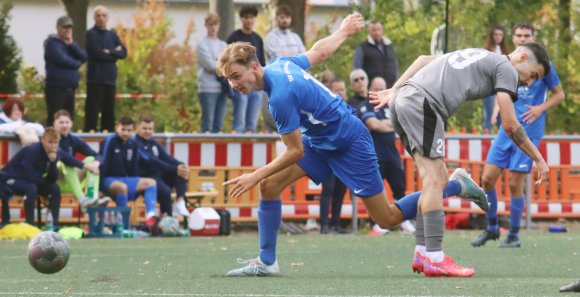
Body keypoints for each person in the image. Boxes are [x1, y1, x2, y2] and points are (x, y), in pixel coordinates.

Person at [217, 12, 488, 277]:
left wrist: (254, 174)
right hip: (322, 140)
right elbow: (319, 52)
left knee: (388, 218)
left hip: (349, 141)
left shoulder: (279, 98)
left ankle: (457, 184)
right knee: (270, 185)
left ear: (254, 67)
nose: (233, 84)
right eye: (229, 79)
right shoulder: (279, 65)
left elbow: (294, 151)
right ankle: (267, 262)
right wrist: (343, 32)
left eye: (236, 76)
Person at [370, 43, 552, 276]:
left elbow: (424, 58)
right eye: (532, 75)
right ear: (522, 57)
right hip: (423, 103)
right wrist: (539, 159)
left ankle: (423, 252)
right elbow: (509, 123)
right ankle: (435, 258)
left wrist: (394, 89)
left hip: (403, 100)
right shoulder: (506, 68)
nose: (529, 82)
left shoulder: (480, 55)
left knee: (436, 180)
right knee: (435, 181)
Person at [471, 23, 565, 248]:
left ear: (533, 38)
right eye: (519, 35)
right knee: (487, 178)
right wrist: (496, 110)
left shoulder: (543, 66)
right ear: (513, 39)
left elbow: (559, 95)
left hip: (529, 131)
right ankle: (492, 227)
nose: (522, 38)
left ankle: (513, 233)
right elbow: (499, 91)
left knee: (514, 184)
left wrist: (540, 108)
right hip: (506, 130)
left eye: (527, 35)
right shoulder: (506, 64)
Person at [358, 76, 415, 235]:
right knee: (376, 190)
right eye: (375, 89)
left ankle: (403, 221)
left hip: (392, 153)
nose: (378, 92)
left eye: (381, 89)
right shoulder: (365, 106)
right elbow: (373, 125)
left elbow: (403, 122)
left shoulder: (392, 105)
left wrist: (386, 124)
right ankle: (376, 224)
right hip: (374, 154)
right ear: (371, 89)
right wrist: (392, 125)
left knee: (399, 188)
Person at [98, 116, 158, 228]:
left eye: (129, 130)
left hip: (125, 180)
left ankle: (150, 217)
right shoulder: (110, 141)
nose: (126, 133)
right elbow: (103, 163)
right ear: (117, 128)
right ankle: (124, 223)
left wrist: (135, 188)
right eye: (123, 130)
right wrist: (100, 188)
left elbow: (134, 169)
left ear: (133, 130)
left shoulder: (133, 144)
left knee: (151, 182)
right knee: (122, 187)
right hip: (109, 180)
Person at [0, 128, 62, 230]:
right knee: (31, 188)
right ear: (43, 140)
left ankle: (53, 224)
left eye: (56, 142)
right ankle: (30, 224)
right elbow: (29, 175)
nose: (53, 146)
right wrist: (44, 181)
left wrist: (53, 163)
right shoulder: (32, 150)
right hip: (10, 179)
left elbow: (52, 179)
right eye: (50, 142)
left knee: (54, 188)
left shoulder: (55, 153)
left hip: (31, 181)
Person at [52, 110, 110, 213]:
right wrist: (84, 165)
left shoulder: (73, 139)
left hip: (73, 180)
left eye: (67, 122)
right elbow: (63, 156)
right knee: (66, 164)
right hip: (55, 180)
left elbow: (97, 155)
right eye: (61, 122)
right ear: (54, 124)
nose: (64, 125)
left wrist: (96, 163)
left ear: (71, 124)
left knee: (92, 160)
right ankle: (82, 200)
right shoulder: (51, 139)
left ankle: (92, 197)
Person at [133, 114, 190, 217]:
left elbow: (167, 158)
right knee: (165, 190)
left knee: (181, 172)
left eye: (150, 129)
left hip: (159, 176)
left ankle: (180, 202)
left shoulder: (153, 143)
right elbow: (152, 161)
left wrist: (182, 166)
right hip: (144, 178)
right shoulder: (134, 143)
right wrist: (175, 169)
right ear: (137, 128)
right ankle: (167, 217)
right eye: (144, 128)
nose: (147, 131)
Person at [85, 5, 127, 132]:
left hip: (110, 79)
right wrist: (114, 52)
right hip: (95, 80)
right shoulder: (90, 35)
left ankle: (108, 136)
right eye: (98, 16)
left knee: (109, 112)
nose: (101, 18)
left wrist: (109, 52)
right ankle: (90, 134)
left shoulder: (112, 35)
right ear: (94, 18)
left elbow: (123, 53)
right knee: (93, 111)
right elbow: (97, 54)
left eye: (104, 15)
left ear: (108, 18)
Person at [226, 5, 265, 133]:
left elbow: (261, 62)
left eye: (251, 17)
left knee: (252, 122)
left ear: (254, 19)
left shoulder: (258, 38)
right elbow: (227, 61)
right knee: (239, 120)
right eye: (246, 17)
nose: (249, 20)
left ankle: (250, 139)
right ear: (242, 19)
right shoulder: (233, 37)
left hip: (256, 84)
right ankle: (237, 139)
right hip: (240, 82)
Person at [44, 16, 87, 126]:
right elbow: (62, 59)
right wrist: (77, 64)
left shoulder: (70, 44)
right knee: (55, 118)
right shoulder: (51, 43)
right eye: (64, 27)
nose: (67, 30)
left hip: (70, 89)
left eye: (69, 27)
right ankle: (51, 140)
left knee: (67, 120)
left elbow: (84, 57)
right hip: (56, 88)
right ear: (58, 28)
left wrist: (72, 45)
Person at [319, 78, 348, 235]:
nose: (340, 92)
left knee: (340, 191)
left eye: (342, 89)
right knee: (327, 190)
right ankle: (324, 225)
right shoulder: (325, 108)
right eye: (337, 89)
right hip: (329, 156)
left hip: (343, 157)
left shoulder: (348, 108)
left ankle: (336, 224)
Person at [197, 13, 228, 133]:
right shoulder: (202, 45)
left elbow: (228, 63)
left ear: (219, 25)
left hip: (223, 87)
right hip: (207, 88)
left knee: (219, 125)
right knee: (207, 125)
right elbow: (210, 66)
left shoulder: (223, 45)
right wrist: (220, 62)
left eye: (215, 25)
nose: (213, 28)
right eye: (210, 25)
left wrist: (216, 61)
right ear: (206, 26)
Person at [352, 21, 399, 88]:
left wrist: (397, 81)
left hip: (391, 88)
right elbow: (356, 69)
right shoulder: (362, 47)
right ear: (369, 32)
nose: (376, 32)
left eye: (378, 30)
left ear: (382, 30)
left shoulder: (389, 45)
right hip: (372, 90)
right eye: (374, 30)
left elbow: (395, 65)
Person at [482, 25, 510, 133]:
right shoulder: (486, 51)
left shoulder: (505, 51)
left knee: (501, 116)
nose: (498, 37)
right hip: (489, 87)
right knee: (489, 115)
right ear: (492, 36)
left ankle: (500, 142)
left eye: (501, 35)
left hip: (502, 88)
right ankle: (485, 142)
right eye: (496, 34)